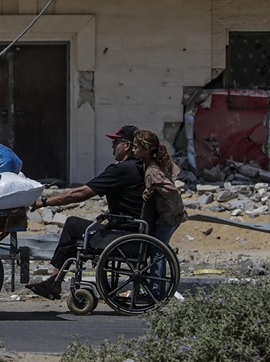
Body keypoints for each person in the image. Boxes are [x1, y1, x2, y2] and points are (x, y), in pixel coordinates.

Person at [25, 125, 145, 300]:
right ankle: (54, 281)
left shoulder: (121, 170)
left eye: (115, 142)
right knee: (80, 233)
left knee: (73, 224)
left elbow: (81, 193)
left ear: (126, 145)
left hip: (123, 235)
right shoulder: (140, 168)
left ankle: (54, 281)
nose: (112, 147)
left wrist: (44, 202)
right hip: (134, 230)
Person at [131, 129, 187, 245]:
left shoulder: (153, 171)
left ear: (146, 150)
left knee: (158, 250)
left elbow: (172, 190)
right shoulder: (154, 164)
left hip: (169, 215)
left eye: (136, 147)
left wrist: (152, 188)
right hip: (173, 213)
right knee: (160, 247)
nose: (133, 150)